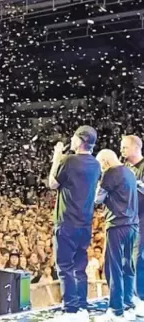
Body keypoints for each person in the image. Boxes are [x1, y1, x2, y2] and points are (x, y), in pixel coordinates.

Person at [48, 125, 101, 322]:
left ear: (79, 141)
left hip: (67, 222)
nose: (71, 140)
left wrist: (56, 157)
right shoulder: (96, 164)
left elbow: (52, 183)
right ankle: (81, 304)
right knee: (80, 265)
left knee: (65, 266)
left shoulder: (68, 160)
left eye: (73, 137)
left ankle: (70, 309)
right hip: (85, 223)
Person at [95, 149, 139, 322]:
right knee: (128, 267)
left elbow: (97, 199)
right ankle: (128, 305)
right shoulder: (129, 171)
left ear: (105, 162)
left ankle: (116, 310)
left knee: (114, 269)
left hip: (117, 225)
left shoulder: (110, 173)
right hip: (132, 225)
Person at [120, 135, 144, 316]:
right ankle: (129, 294)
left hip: (142, 217)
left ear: (136, 148)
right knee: (127, 257)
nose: (121, 150)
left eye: (124, 147)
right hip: (128, 218)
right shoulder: (124, 167)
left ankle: (140, 296)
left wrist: (135, 184)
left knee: (138, 257)